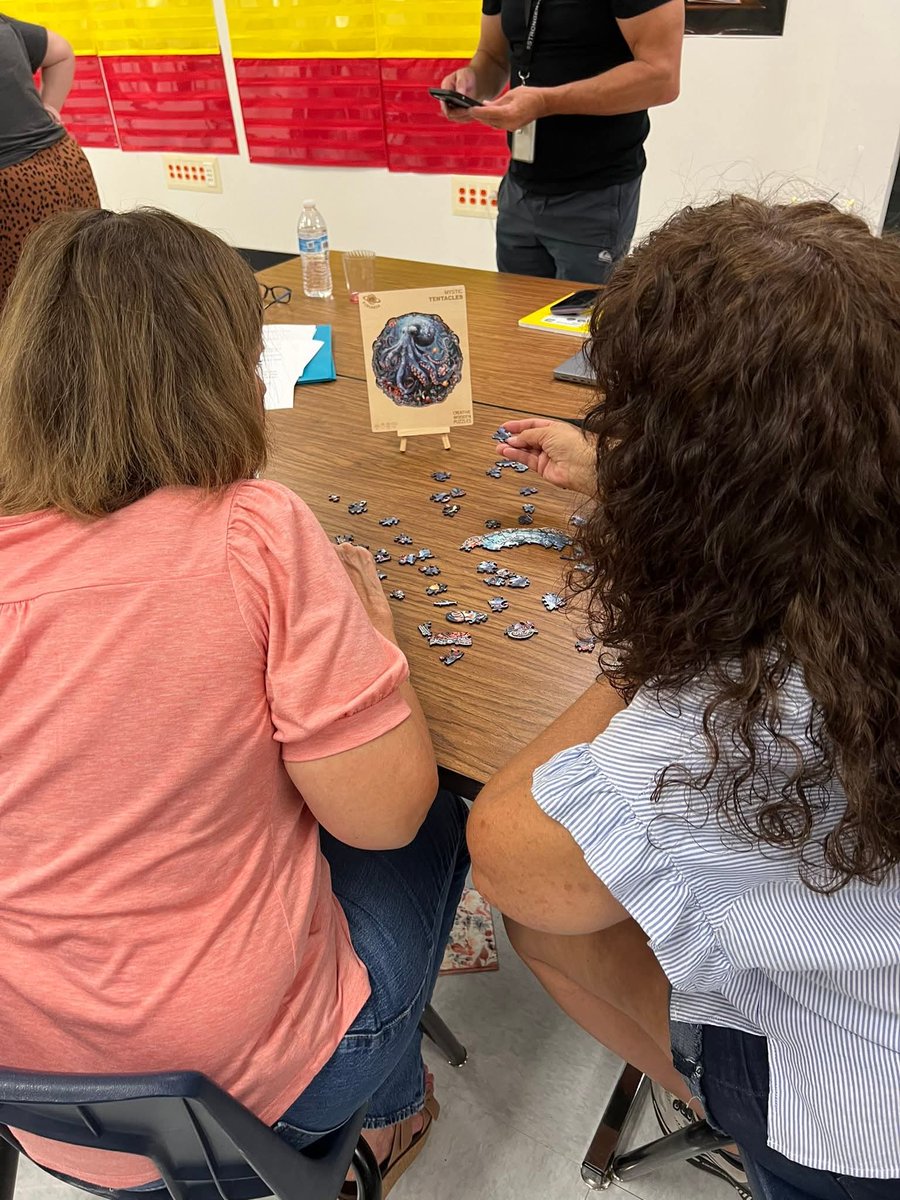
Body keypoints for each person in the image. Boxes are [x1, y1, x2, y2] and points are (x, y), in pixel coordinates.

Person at [0, 208, 468, 1198]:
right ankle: (386, 1110)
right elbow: (383, 818)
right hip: (240, 1094)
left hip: (36, 1104)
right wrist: (372, 642)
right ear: (229, 368)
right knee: (445, 816)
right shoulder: (251, 528)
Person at [468, 196, 900, 1199]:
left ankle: (738, 1127)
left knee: (549, 925)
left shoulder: (732, 722)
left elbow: (510, 855)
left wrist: (671, 610)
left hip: (855, 1126)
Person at [438, 0, 683, 282]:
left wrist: (545, 101)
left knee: (583, 324)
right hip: (520, 187)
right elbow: (493, 57)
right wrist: (472, 81)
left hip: (595, 191)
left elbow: (662, 77)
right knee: (511, 322)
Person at [0, 14, 99, 308]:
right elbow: (61, 51)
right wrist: (50, 107)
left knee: (25, 310)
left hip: (12, 192)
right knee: (91, 278)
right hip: (67, 164)